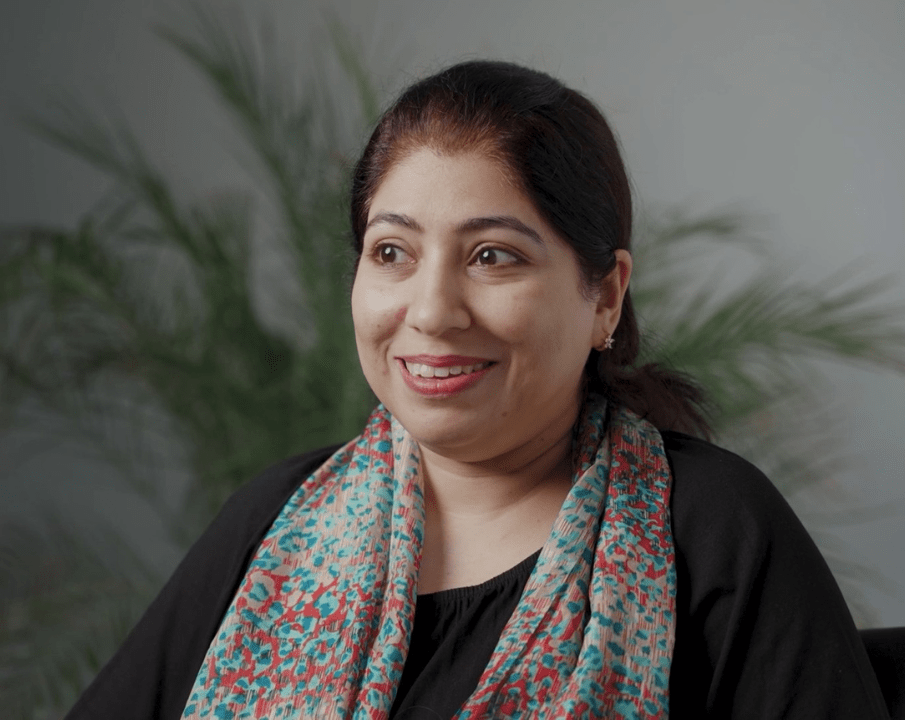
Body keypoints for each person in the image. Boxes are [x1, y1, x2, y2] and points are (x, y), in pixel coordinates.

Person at [66, 61, 888, 719]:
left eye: (493, 255)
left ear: (604, 295)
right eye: (392, 253)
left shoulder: (714, 533)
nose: (430, 311)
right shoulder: (274, 521)